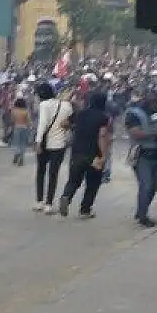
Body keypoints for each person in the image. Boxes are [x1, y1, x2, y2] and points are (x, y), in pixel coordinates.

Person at [58, 91, 111, 219]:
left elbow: (63, 124)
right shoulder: (104, 117)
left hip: (77, 152)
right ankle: (85, 210)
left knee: (74, 180)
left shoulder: (80, 114)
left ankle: (66, 196)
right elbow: (102, 136)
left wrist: (75, 128)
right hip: (94, 155)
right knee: (92, 183)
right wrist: (104, 155)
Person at [125, 91, 157, 227]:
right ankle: (142, 216)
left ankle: (142, 210)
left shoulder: (156, 113)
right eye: (154, 102)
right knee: (146, 186)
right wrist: (156, 133)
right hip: (142, 154)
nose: (156, 105)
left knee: (153, 186)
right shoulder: (134, 114)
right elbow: (135, 133)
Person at [33, 82, 72, 214]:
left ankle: (39, 201)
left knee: (40, 172)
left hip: (44, 142)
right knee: (53, 174)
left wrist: (38, 142)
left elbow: (42, 124)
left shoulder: (44, 105)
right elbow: (68, 124)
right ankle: (49, 203)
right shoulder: (67, 105)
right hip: (59, 143)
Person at [10, 98, 31, 166]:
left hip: (17, 127)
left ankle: (17, 153)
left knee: (16, 143)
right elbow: (28, 121)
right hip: (24, 128)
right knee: (23, 144)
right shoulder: (25, 111)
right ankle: (21, 159)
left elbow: (12, 120)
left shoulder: (14, 111)